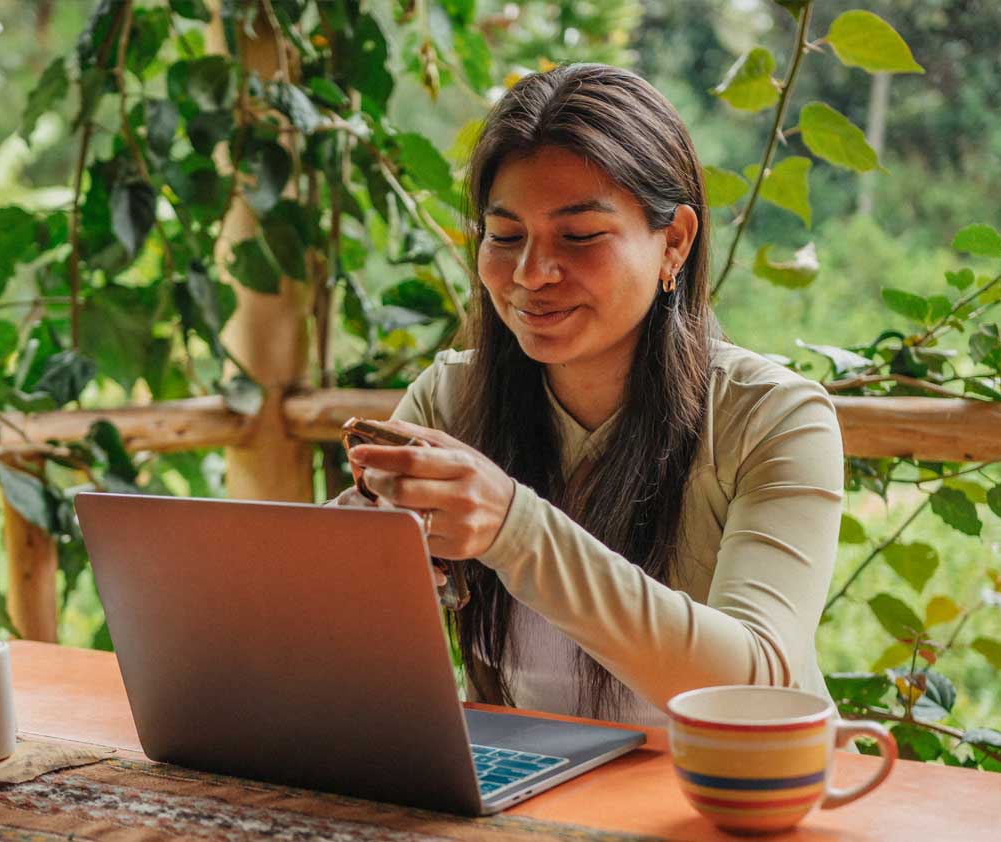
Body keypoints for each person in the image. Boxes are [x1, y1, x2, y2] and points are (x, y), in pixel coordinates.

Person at [337, 63, 843, 726]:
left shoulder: (773, 418)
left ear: (674, 242)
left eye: (579, 237)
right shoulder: (450, 401)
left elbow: (751, 687)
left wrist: (514, 527)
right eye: (504, 236)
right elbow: (347, 655)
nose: (531, 274)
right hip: (538, 782)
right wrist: (353, 565)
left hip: (737, 785)